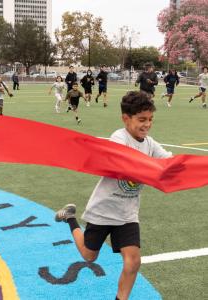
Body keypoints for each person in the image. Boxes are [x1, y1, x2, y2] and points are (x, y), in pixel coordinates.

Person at [55, 91, 172, 300]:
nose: (147, 124)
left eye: (150, 119)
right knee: (89, 256)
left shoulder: (150, 143)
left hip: (127, 214)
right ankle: (70, 217)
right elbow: (122, 159)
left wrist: (183, 166)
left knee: (133, 261)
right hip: (104, 210)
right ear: (126, 119)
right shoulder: (119, 137)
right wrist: (151, 168)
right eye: (142, 119)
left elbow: (168, 161)